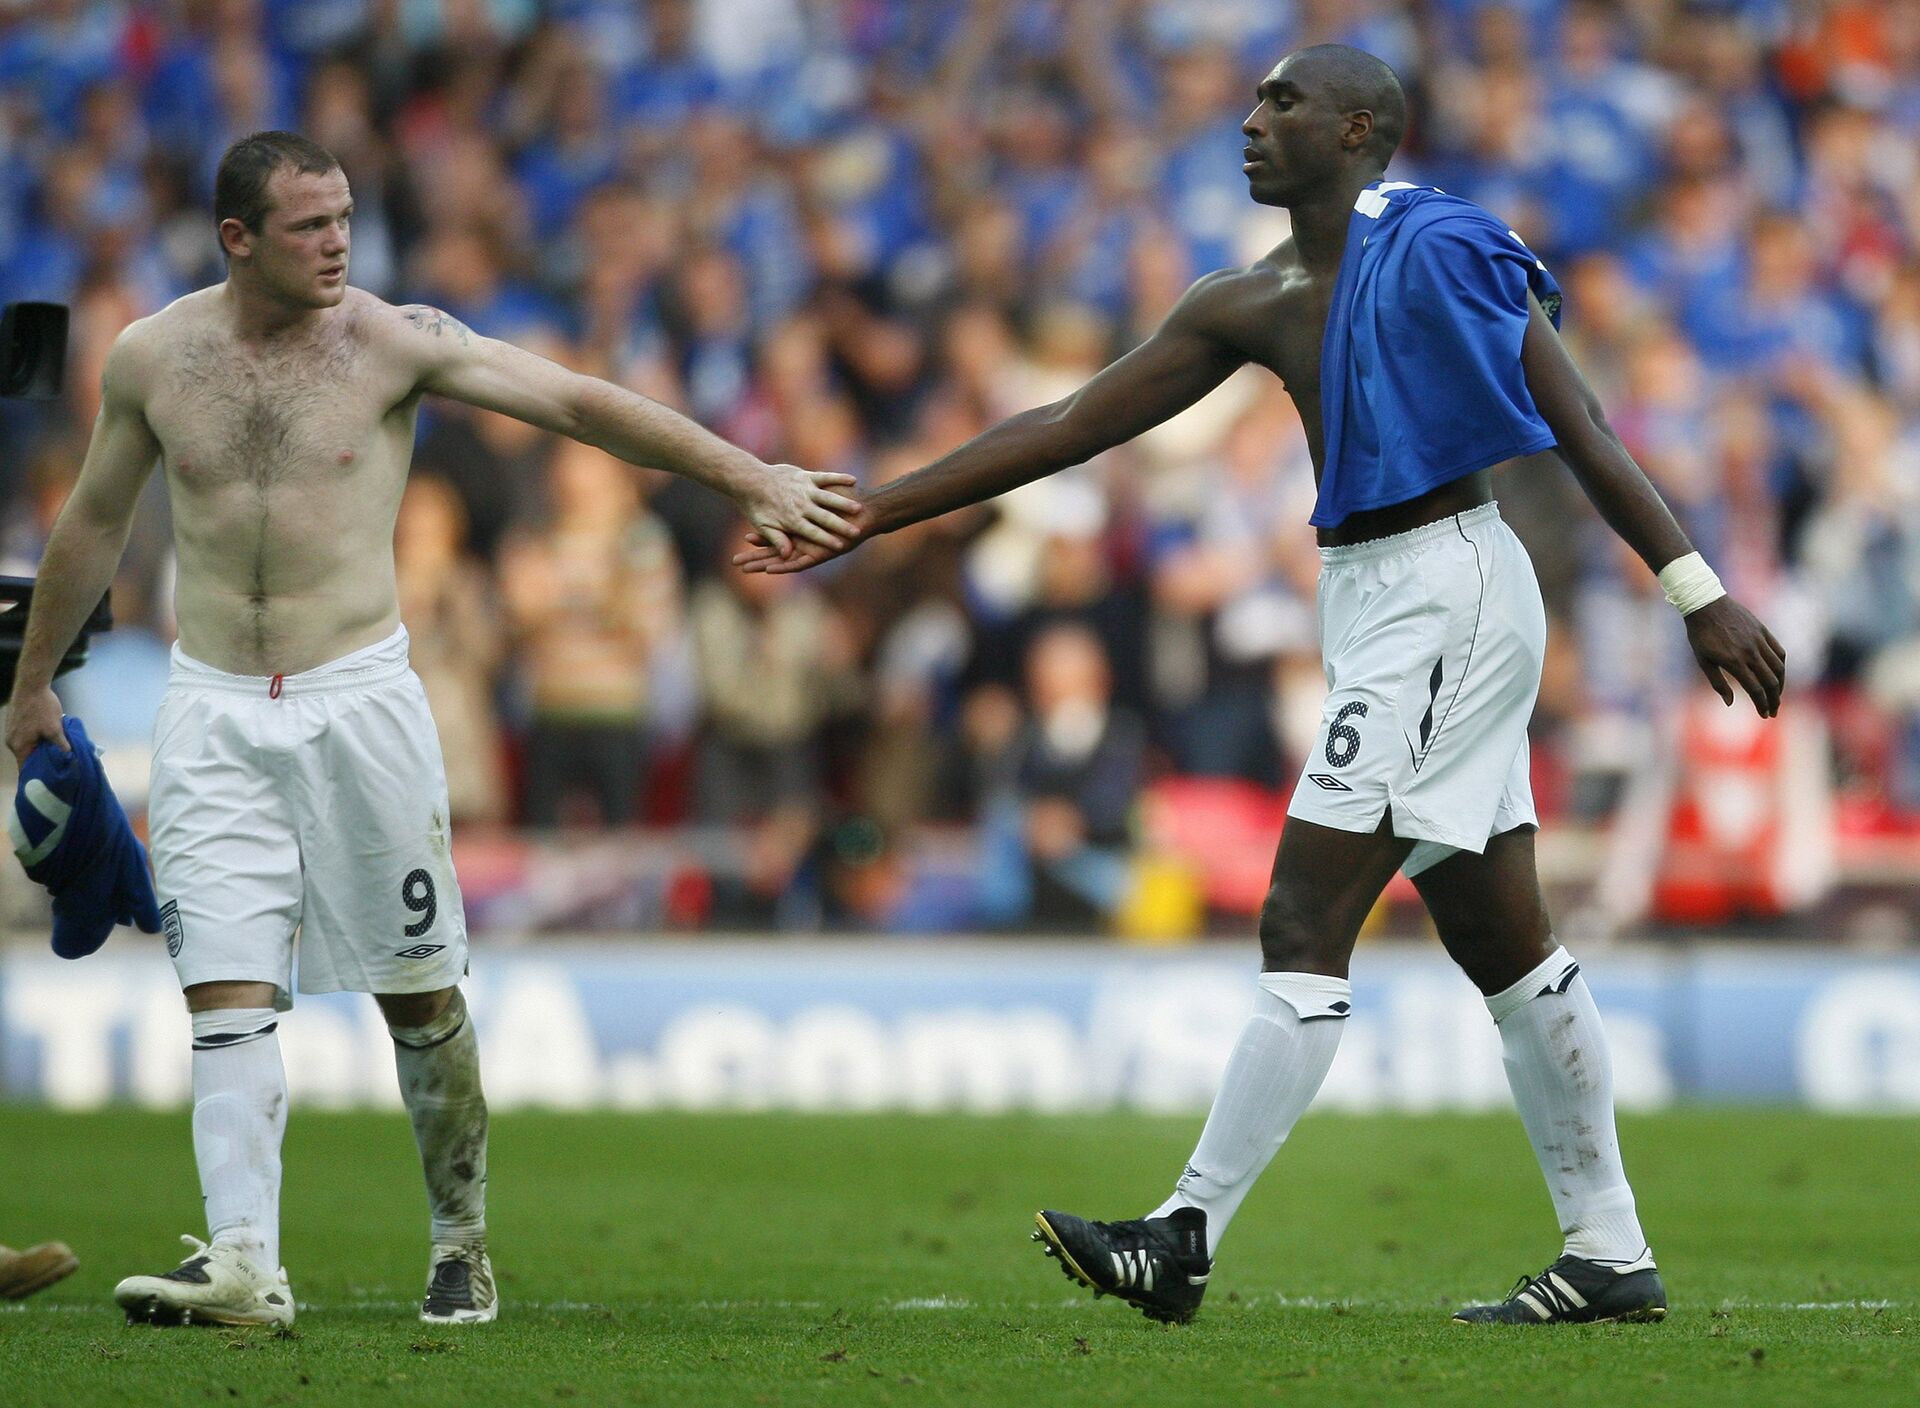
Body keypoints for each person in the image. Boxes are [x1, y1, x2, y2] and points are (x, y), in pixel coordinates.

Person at [736, 46, 1785, 1326]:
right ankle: (1610, 1252)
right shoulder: (1250, 296)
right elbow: (1068, 424)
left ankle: (1182, 1233)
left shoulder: (1445, 249)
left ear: (1357, 130)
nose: (1250, 122)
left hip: (1444, 591)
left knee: (1301, 917)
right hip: (1377, 600)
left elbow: (1582, 426)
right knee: (1503, 940)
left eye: (1280, 103)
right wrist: (874, 514)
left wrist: (1696, 590)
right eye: (1250, 101)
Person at [3, 130, 858, 1329]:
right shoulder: (153, 357)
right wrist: (34, 683)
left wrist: (748, 474)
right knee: (225, 990)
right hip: (212, 706)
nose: (340, 240)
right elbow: (94, 519)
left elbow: (573, 399)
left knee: (421, 994)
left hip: (362, 701)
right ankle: (246, 1258)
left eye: (347, 215)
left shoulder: (392, 340)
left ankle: (462, 1238)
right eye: (310, 225)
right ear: (236, 238)